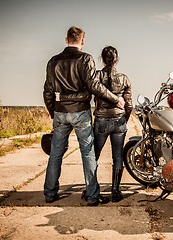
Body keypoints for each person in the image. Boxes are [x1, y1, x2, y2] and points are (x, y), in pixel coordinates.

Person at [43, 27, 125, 206]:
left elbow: (47, 91)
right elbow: (94, 86)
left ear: (66, 40)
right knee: (87, 154)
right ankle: (92, 196)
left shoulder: (53, 61)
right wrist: (115, 99)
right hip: (80, 113)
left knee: (55, 153)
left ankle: (50, 193)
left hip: (60, 113)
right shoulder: (85, 59)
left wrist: (53, 114)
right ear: (82, 41)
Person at [93, 46, 133, 202]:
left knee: (93, 156)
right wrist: (124, 120)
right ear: (117, 60)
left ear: (102, 59)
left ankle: (92, 189)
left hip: (101, 121)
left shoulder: (96, 76)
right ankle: (115, 191)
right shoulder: (124, 78)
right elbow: (128, 104)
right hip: (119, 121)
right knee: (118, 156)